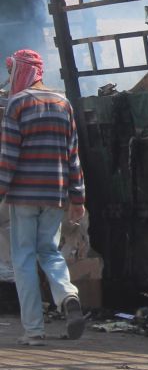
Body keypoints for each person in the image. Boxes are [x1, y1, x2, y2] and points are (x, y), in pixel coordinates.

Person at [0, 49, 86, 346]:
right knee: (49, 251)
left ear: (22, 72)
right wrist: (78, 198)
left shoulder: (17, 104)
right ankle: (68, 296)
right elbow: (73, 155)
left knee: (23, 259)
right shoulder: (64, 103)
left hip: (24, 194)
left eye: (12, 72)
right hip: (55, 193)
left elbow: (8, 157)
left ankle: (34, 331)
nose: (10, 78)